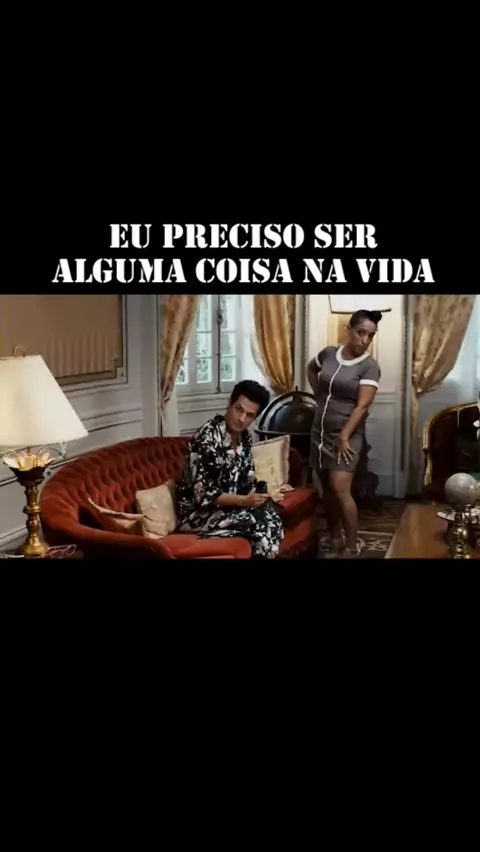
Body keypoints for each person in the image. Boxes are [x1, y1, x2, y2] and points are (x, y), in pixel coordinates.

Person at [177, 379, 284, 559]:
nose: (241, 419)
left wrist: (259, 496)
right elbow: (202, 496)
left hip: (230, 509)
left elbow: (247, 480)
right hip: (199, 516)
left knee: (273, 520)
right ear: (230, 403)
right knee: (257, 528)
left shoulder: (244, 438)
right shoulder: (207, 438)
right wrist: (244, 501)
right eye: (238, 409)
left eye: (250, 415)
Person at [307, 309, 382, 559]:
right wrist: (318, 396)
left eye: (370, 335)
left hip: (347, 437)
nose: (365, 339)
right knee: (327, 489)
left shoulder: (370, 366)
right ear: (347, 330)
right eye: (361, 332)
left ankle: (351, 544)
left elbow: (362, 406)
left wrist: (344, 436)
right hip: (319, 432)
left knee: (340, 488)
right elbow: (311, 368)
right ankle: (334, 535)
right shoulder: (329, 353)